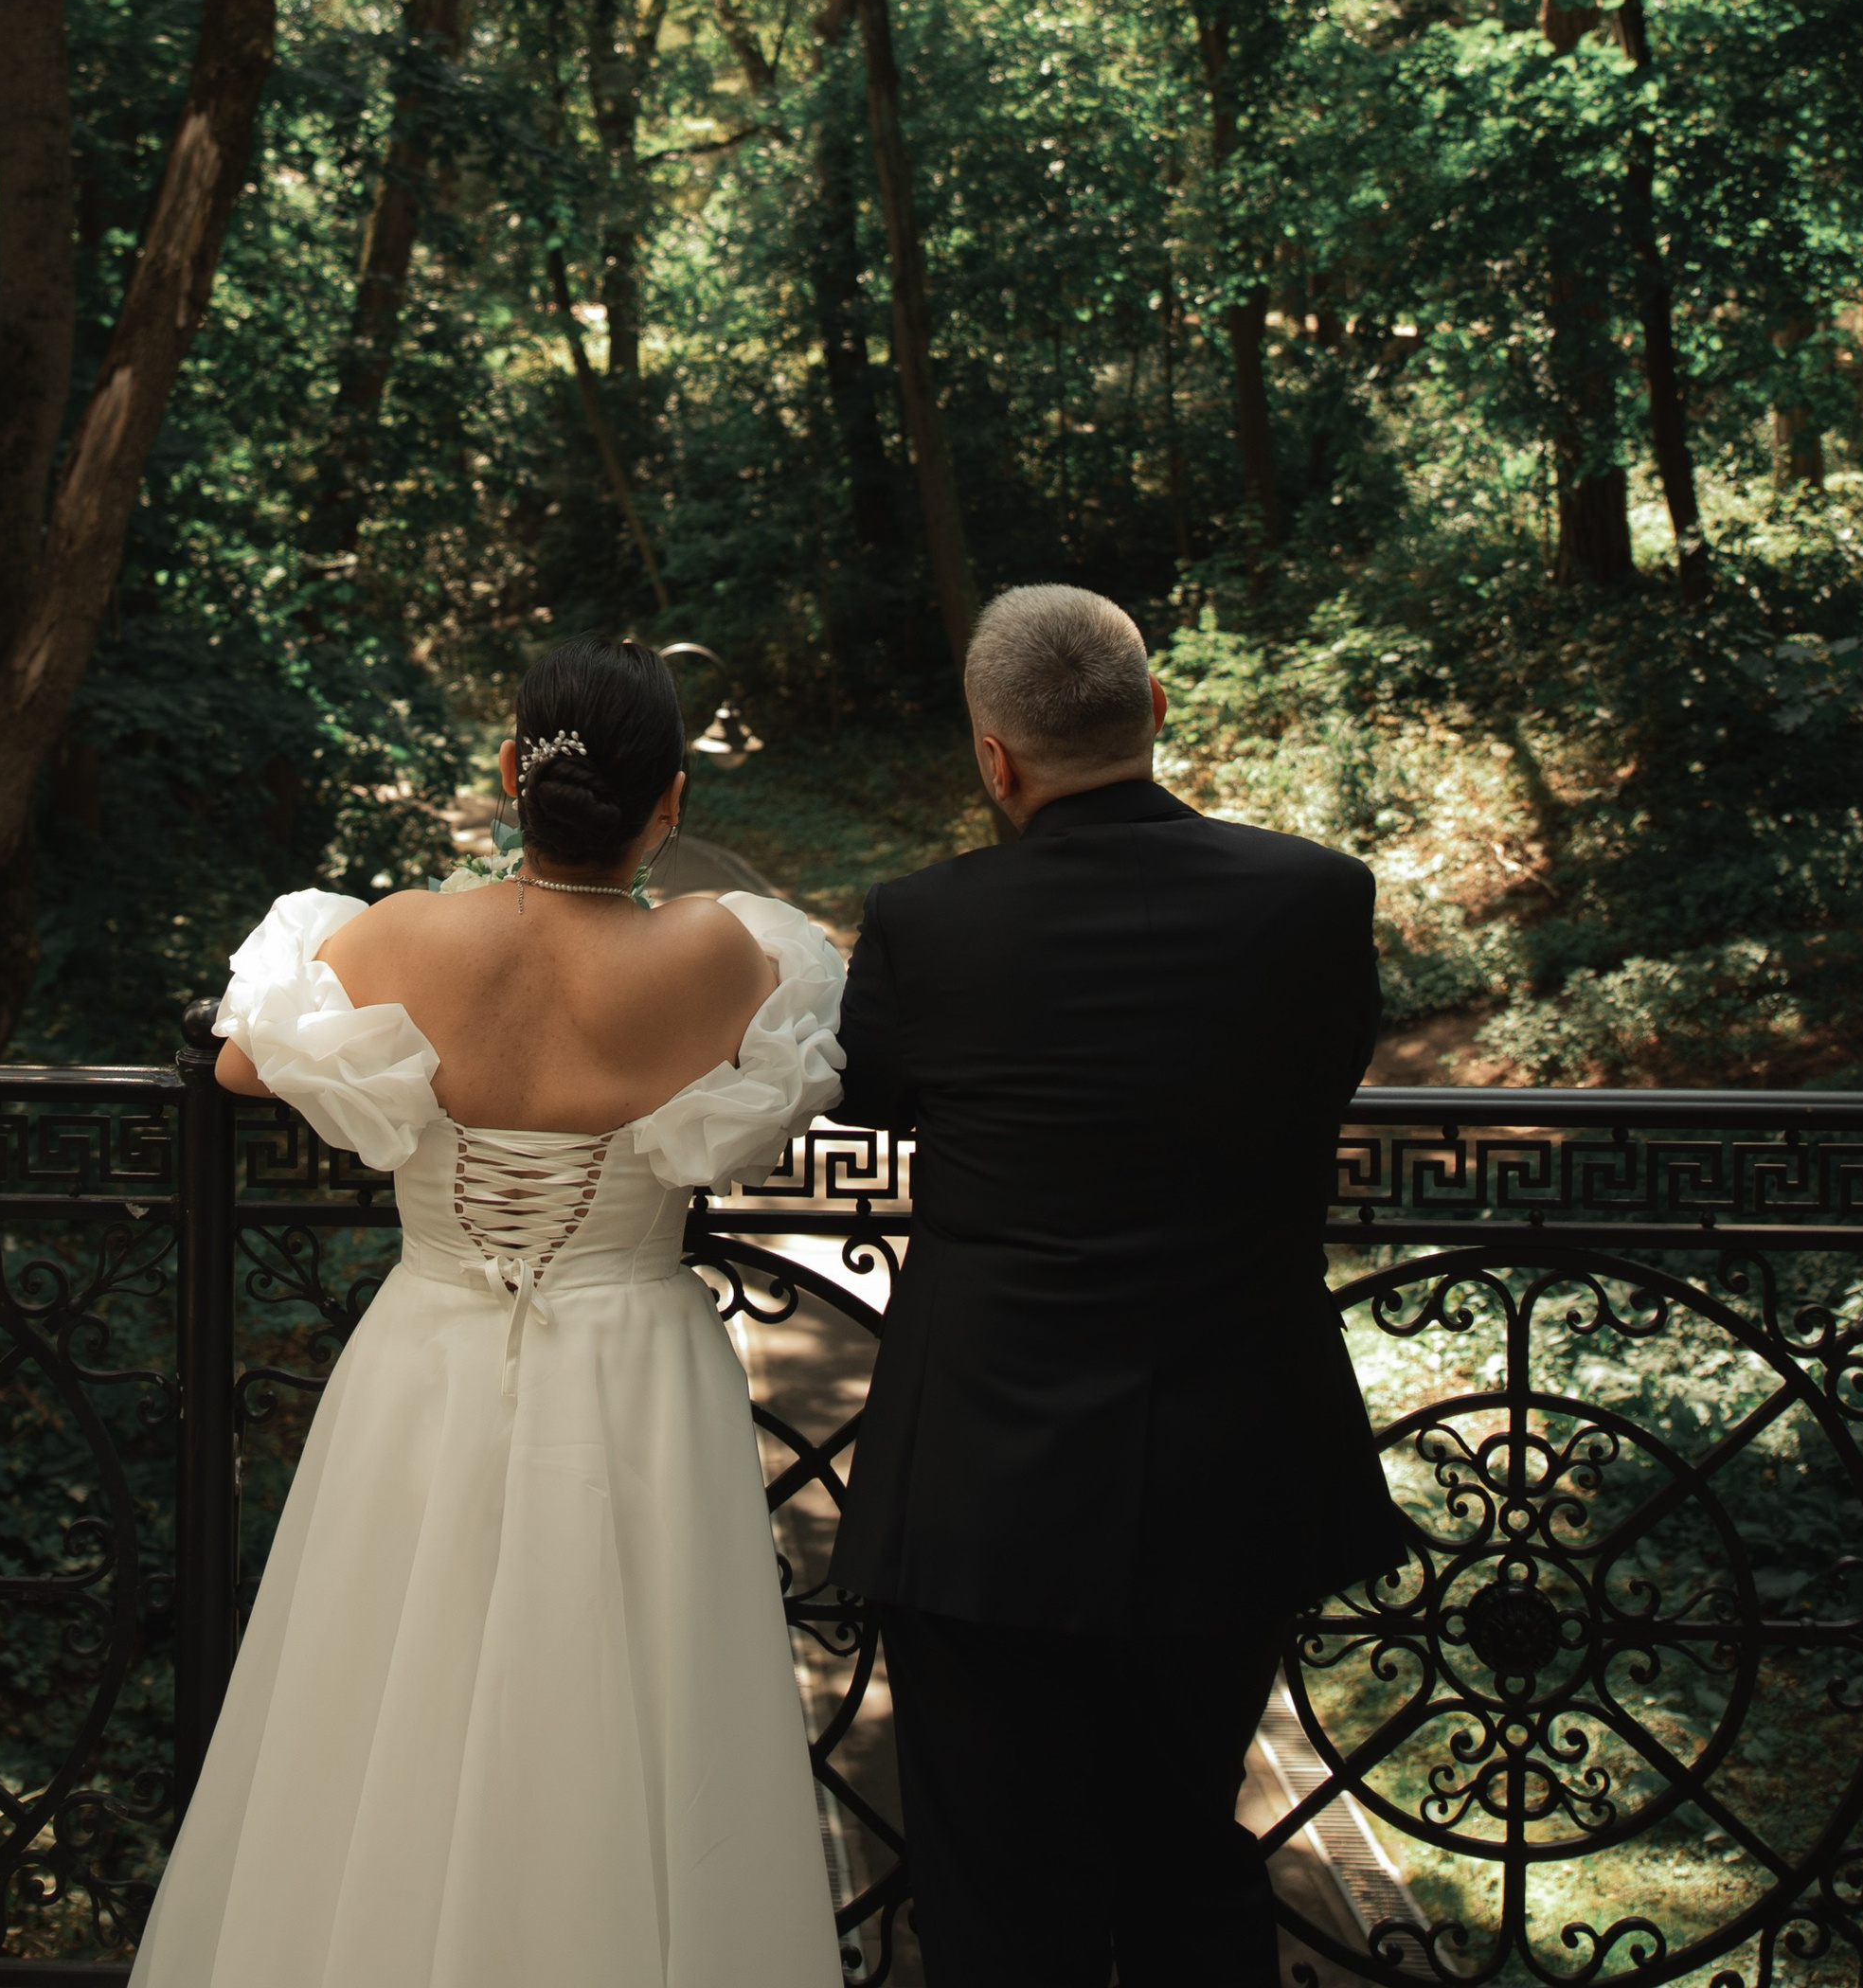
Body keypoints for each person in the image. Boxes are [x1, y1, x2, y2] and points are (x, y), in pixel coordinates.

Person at [131, 634, 846, 1988]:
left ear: (513, 771)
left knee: (382, 1696)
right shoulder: (721, 951)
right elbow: (790, 1065)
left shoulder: (403, 934)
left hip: (429, 1347)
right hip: (637, 1359)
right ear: (671, 800)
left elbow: (239, 1062)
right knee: (635, 1713)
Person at [831, 582, 1403, 1988]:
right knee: (1185, 1843)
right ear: (1155, 712)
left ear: (995, 758)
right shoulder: (1317, 899)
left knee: (986, 1872)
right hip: (1235, 1460)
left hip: (980, 1477)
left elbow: (883, 1094)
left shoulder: (924, 924)